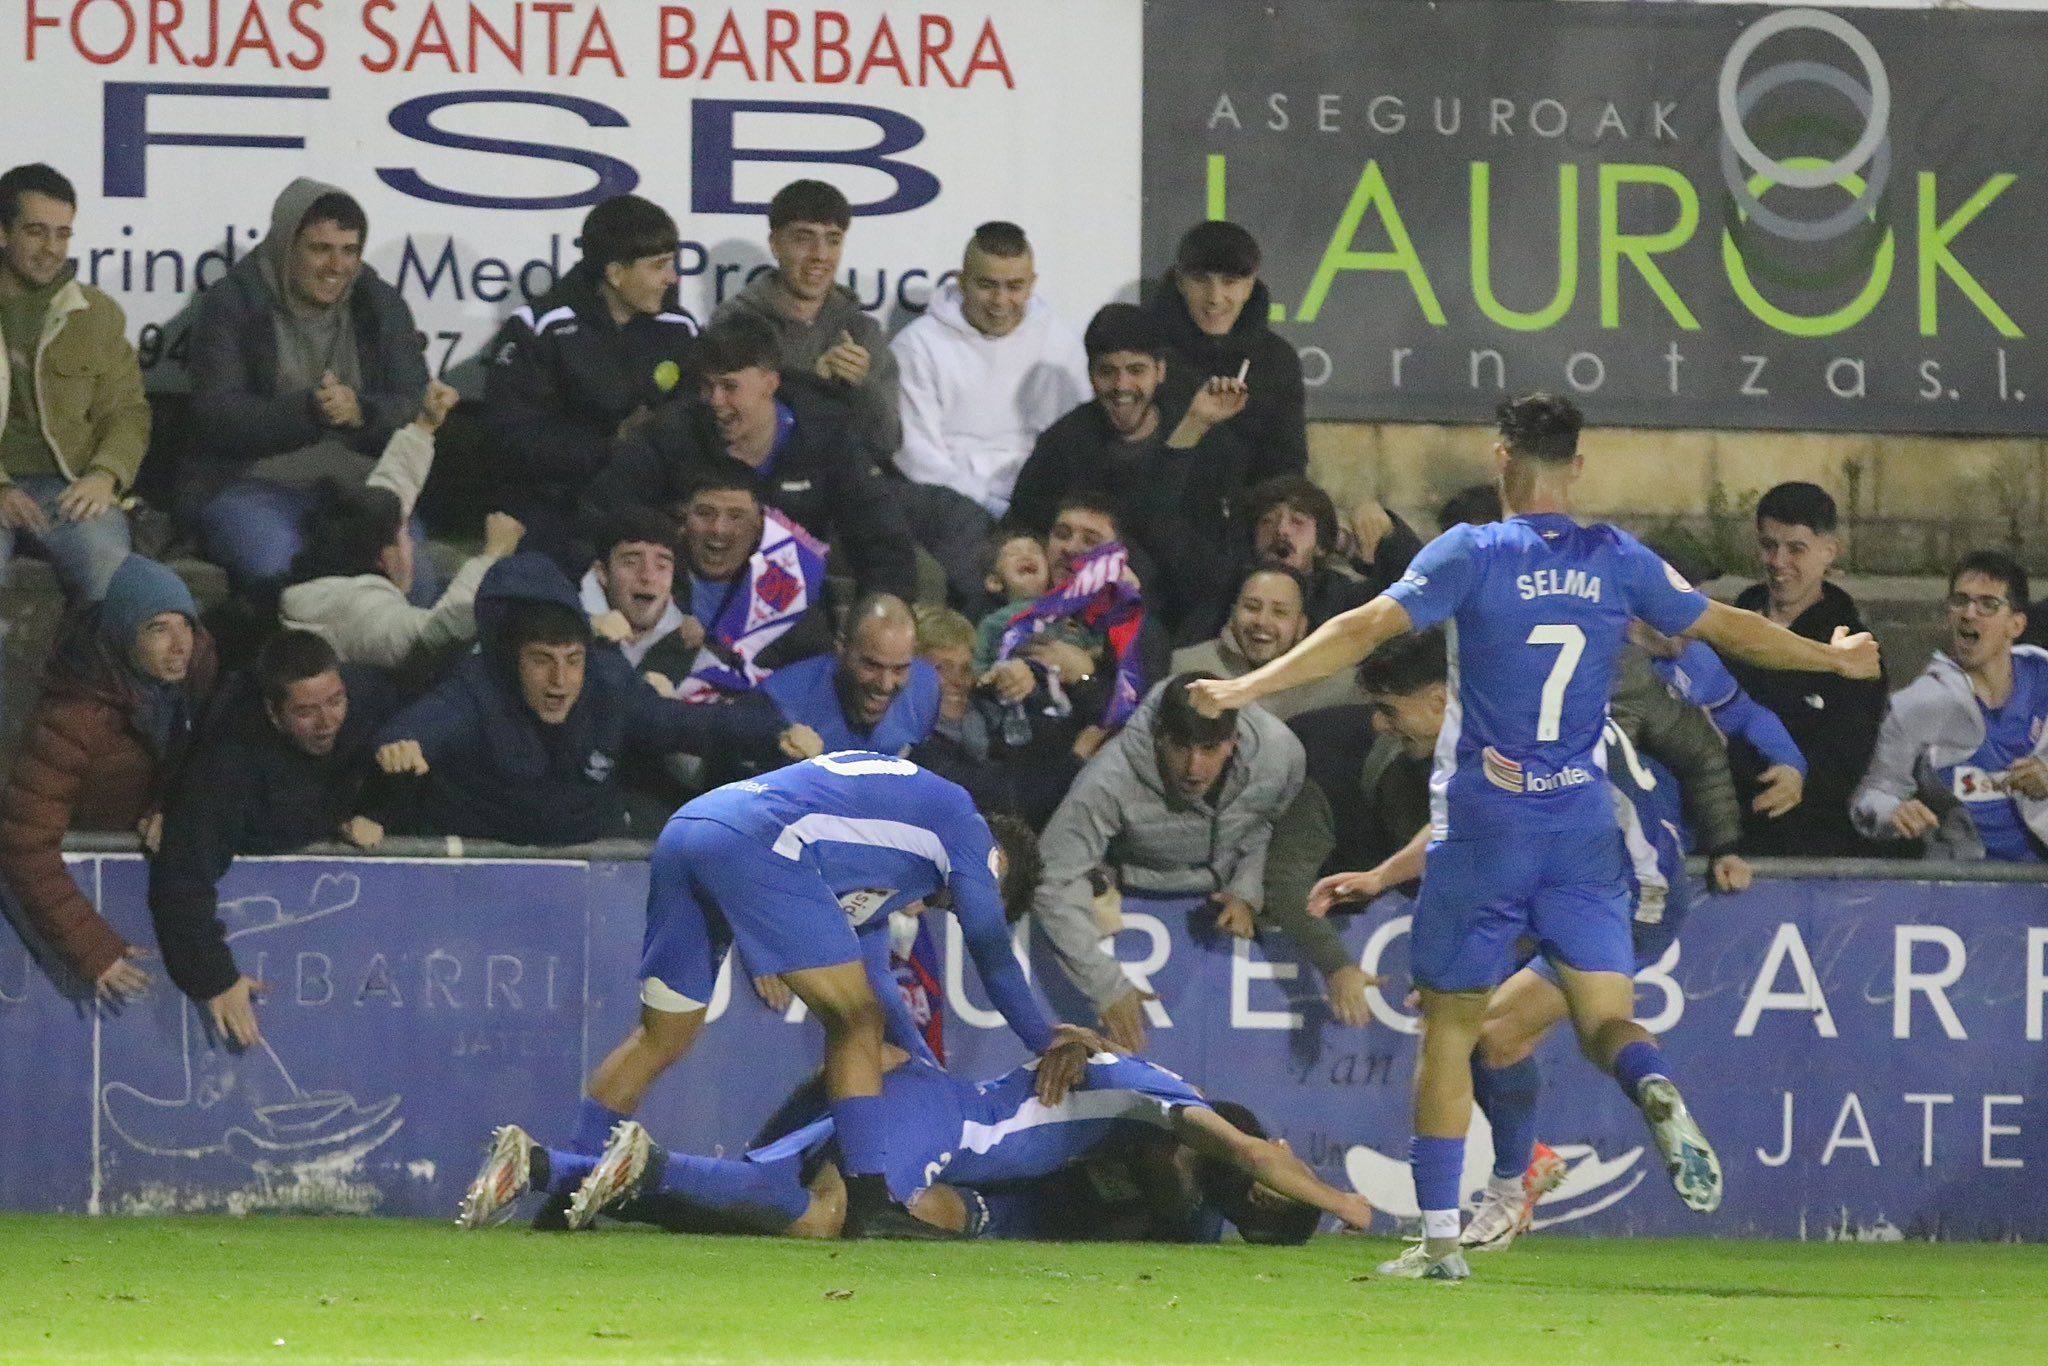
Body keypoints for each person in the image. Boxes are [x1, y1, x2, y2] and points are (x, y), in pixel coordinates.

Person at [1191, 392, 1880, 1279]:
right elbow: (1726, 626)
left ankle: (1442, 1243)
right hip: (1583, 827)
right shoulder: (1618, 560)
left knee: (1452, 1030)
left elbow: (1362, 627)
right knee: (1604, 1021)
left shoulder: (1473, 554)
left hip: (1491, 822)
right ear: (1578, 468)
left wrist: (1249, 690)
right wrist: (1832, 657)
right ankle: (1649, 1083)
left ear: (1500, 459)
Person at [455, 752, 1105, 1238]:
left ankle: (559, 1183)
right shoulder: (969, 833)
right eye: (960, 905)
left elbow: (861, 956)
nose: (951, 910)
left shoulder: (898, 853)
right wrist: (1043, 1036)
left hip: (695, 829)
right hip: (758, 842)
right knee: (856, 1020)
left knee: (664, 1037)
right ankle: (871, 1205)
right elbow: (990, 947)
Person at [1305, 628, 1752, 1253]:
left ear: (1438, 701)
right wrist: (1381, 876)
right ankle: (1648, 1083)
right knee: (1539, 1033)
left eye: (1389, 708)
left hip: (1615, 886)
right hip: (1638, 871)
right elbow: (1466, 824)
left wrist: (1468, 960)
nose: (1379, 725)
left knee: (1480, 1030)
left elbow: (1503, 846)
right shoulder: (1518, 705)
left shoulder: (1495, 746)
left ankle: (1511, 1189)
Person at [476, 1047, 1367, 1242]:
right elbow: (1258, 1155)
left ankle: (545, 1164)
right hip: (943, 1123)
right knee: (823, 1220)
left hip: (928, 1114)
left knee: (767, 1195)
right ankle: (647, 1166)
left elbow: (1236, 1186)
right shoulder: (1165, 1100)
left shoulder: (1144, 1148)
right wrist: (1348, 1204)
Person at [370, 553, 806, 845]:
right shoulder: (477, 687)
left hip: (595, 862)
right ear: (512, 659)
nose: (560, 680)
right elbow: (419, 727)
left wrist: (775, 734)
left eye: (573, 660)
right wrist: (400, 746)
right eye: (542, 660)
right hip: (486, 863)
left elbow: (683, 723)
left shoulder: (608, 683)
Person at [184, 178, 431, 603]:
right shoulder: (233, 303)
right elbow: (217, 417)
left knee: (417, 580)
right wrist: (310, 413)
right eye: (320, 249)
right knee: (283, 575)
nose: (337, 266)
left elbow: (414, 404)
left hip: (363, 489)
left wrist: (362, 413)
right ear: (286, 246)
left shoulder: (379, 304)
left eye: (349, 251)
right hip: (250, 484)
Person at [146, 630, 397, 1045]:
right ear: (273, 713)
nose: (328, 722)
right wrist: (215, 978)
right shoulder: (229, 765)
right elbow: (182, 875)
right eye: (306, 712)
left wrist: (378, 808)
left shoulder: (371, 708)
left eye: (336, 701)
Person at [1033, 673, 1305, 1053]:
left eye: (1210, 749)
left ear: (1233, 742)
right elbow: (1053, 878)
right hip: (1133, 883)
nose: (1194, 768)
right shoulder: (1110, 780)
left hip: (1224, 897)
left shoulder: (1281, 755)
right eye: (1181, 747)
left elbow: (1270, 825)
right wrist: (1106, 985)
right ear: (1160, 735)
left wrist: (1246, 888)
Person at [584, 313, 917, 602]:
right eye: (707, 386)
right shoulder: (673, 434)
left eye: (729, 387)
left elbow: (882, 542)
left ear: (769, 383)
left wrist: (878, 615)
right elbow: (602, 512)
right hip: (687, 604)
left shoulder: (826, 432)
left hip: (790, 607)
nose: (714, 400)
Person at [0, 555, 215, 998]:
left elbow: (209, 764)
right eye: (158, 628)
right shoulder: (74, 719)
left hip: (128, 880)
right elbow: (23, 843)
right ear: (124, 635)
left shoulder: (193, 683)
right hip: (67, 892)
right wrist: (92, 949)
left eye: (186, 625)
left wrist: (170, 807)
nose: (180, 644)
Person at [1007, 303, 1254, 641]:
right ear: (1091, 374)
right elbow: (1020, 528)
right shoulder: (1063, 444)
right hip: (1077, 616)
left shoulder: (1210, 440)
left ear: (1160, 372)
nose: (1122, 385)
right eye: (1107, 371)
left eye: (1136, 370)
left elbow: (1214, 562)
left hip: (1185, 617)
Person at [890, 221, 1090, 602]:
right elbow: (917, 457)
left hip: (1038, 503)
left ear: (1032, 283)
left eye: (1014, 287)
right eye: (987, 285)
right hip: (954, 507)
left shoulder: (1061, 343)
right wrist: (989, 503)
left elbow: (1075, 441)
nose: (1000, 302)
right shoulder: (918, 345)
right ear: (962, 280)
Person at [480, 194, 697, 540]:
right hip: (556, 512)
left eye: (673, 263)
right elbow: (511, 437)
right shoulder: (539, 328)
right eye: (659, 266)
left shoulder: (680, 328)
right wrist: (610, 446)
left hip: (651, 512)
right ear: (615, 274)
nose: (672, 278)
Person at [279, 381, 523, 673]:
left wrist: (424, 426)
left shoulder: (331, 570)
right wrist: (491, 557)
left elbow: (389, 493)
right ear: (386, 557)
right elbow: (436, 636)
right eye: (405, 536)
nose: (412, 543)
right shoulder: (360, 612)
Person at [0, 163, 144, 647]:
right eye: (36, 232)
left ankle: (85, 714)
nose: (52, 249)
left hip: (67, 487)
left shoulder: (94, 313)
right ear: (2, 233)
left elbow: (127, 411)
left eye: (63, 234)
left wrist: (105, 474)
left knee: (112, 574)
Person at [1726, 481, 1888, 856]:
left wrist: (1803, 778)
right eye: (1769, 546)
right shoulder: (1731, 627)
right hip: (1722, 837)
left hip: (1806, 847)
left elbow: (1849, 753)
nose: (1779, 562)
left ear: (1829, 552)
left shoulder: (1857, 649)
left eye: (1796, 549)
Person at [1853, 551, 2048, 860]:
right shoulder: (1919, 704)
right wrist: (1893, 811)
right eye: (1960, 601)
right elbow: (1871, 796)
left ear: (2016, 624)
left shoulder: (2043, 681)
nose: (1969, 613)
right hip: (1959, 887)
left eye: (1988, 604)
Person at [713, 179, 900, 454]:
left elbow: (889, 442)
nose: (820, 255)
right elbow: (727, 429)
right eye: (804, 238)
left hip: (842, 486)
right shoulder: (734, 322)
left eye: (833, 240)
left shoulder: (861, 331)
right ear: (775, 243)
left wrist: (863, 388)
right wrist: (814, 384)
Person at [1146, 220, 1307, 481]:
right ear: (1179, 281)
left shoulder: (1277, 359)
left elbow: (1287, 467)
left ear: (1249, 286)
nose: (1215, 297)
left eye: (1229, 282)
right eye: (1200, 280)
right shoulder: (1147, 352)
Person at [648, 472, 831, 696]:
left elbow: (815, 685)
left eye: (736, 516)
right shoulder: (647, 577)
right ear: (684, 519)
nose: (718, 529)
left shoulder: (791, 597)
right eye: (705, 514)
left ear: (758, 528)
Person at [1228, 475, 1419, 633]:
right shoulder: (1228, 589)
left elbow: (1415, 592)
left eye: (1297, 521)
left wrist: (1387, 535)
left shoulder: (1342, 598)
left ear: (1320, 545)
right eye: (1267, 521)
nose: (1281, 530)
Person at [1172, 565, 1363, 721]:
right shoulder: (1188, 666)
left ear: (1301, 626)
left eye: (1279, 612)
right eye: (1252, 607)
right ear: (1232, 615)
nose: (1262, 621)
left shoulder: (1338, 684)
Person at [761, 594, 940, 757]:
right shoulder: (783, 700)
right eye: (872, 665)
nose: (886, 684)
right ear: (841, 649)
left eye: (900, 669)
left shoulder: (926, 690)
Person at [577, 508, 687, 670]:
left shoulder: (692, 651)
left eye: (662, 566)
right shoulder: (570, 632)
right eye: (631, 562)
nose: (648, 577)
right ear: (602, 573)